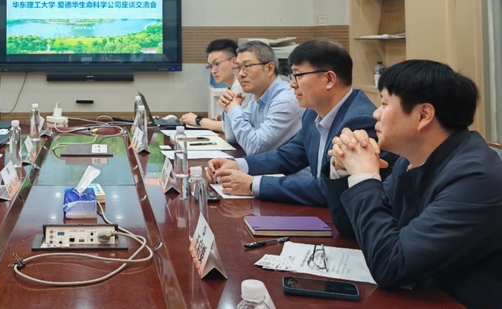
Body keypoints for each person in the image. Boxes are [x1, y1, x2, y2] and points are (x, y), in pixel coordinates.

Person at [326, 60, 502, 309]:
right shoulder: (412, 159)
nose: (375, 114)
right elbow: (351, 228)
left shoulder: (476, 178)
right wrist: (345, 171)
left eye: (384, 104)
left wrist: (365, 177)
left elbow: (391, 265)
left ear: (423, 115)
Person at [207, 38, 389, 206]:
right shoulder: (312, 113)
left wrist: (253, 184)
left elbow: (329, 190)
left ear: (329, 79)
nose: (292, 84)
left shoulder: (358, 122)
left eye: (298, 75)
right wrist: (237, 164)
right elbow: (288, 156)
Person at [219, 41, 305, 155]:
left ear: (269, 69)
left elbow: (255, 148)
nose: (240, 74)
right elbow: (232, 138)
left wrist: (234, 109)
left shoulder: (284, 102)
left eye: (247, 66)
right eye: (237, 68)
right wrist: (228, 108)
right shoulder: (257, 97)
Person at [180, 39, 250, 138]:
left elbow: (235, 127)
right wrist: (226, 117)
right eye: (210, 66)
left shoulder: (240, 85)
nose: (213, 70)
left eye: (216, 64)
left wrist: (199, 120)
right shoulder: (233, 85)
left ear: (234, 62)